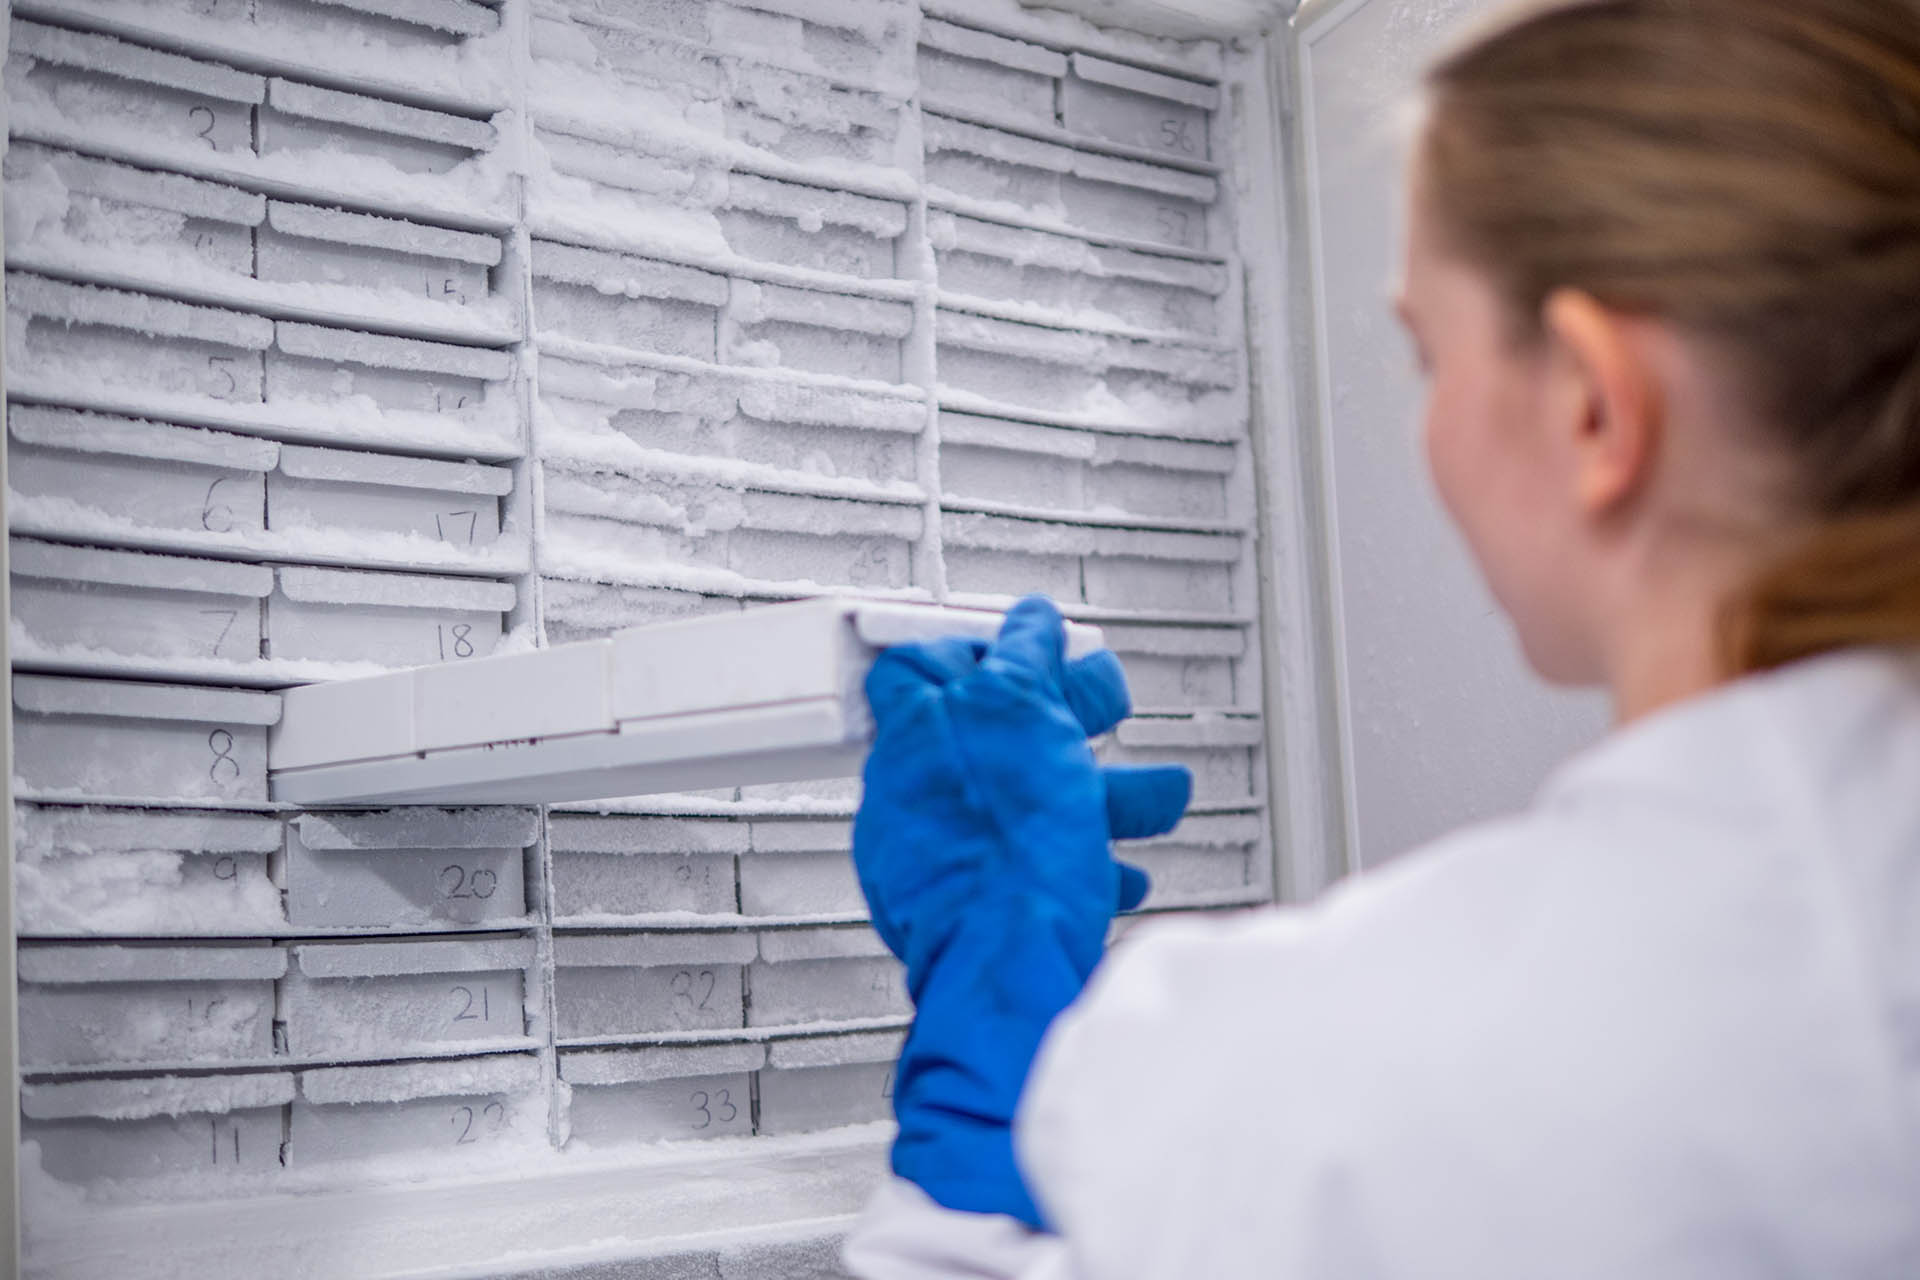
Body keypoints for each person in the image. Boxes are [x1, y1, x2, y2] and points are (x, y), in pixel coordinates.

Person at [838, 0, 1920, 1275]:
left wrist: (988, 972)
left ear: (1591, 405)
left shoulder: (1374, 1081)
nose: (1425, 430)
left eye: (1427, 354)